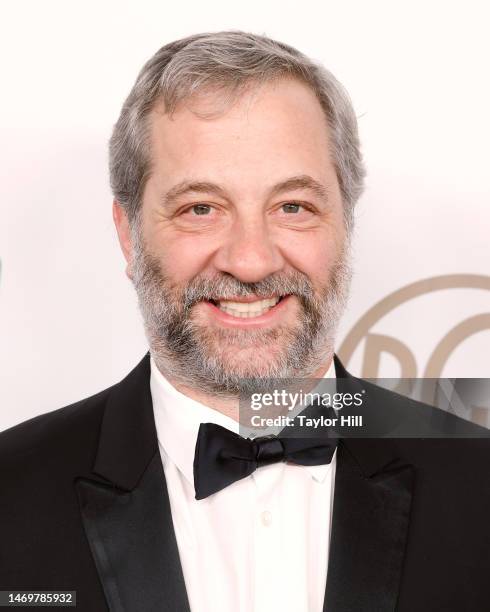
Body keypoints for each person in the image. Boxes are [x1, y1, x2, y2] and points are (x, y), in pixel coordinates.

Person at [0, 31, 488, 612]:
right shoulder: (11, 493)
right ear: (129, 235)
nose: (251, 260)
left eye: (293, 207)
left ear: (346, 227)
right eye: (200, 208)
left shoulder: (479, 482)